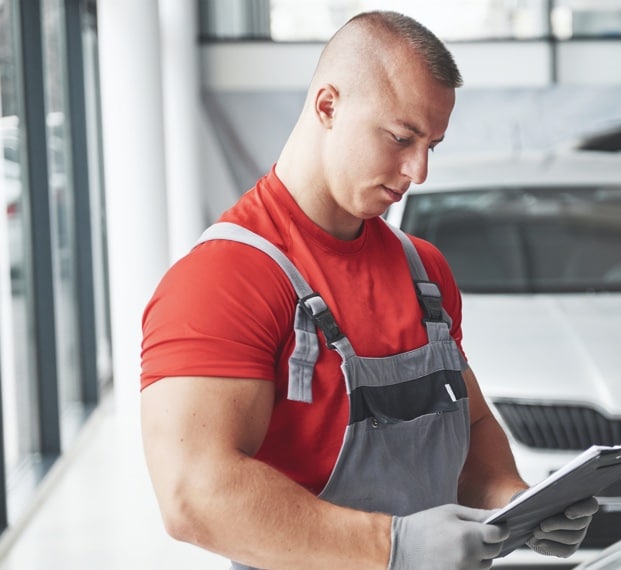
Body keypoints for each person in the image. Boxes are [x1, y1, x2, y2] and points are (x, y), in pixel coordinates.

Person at [140, 10, 596, 570]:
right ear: (328, 105)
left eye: (432, 144)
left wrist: (514, 502)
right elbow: (193, 495)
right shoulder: (224, 279)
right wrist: (391, 548)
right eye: (402, 137)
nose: (419, 171)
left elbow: (470, 423)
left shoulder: (423, 271)